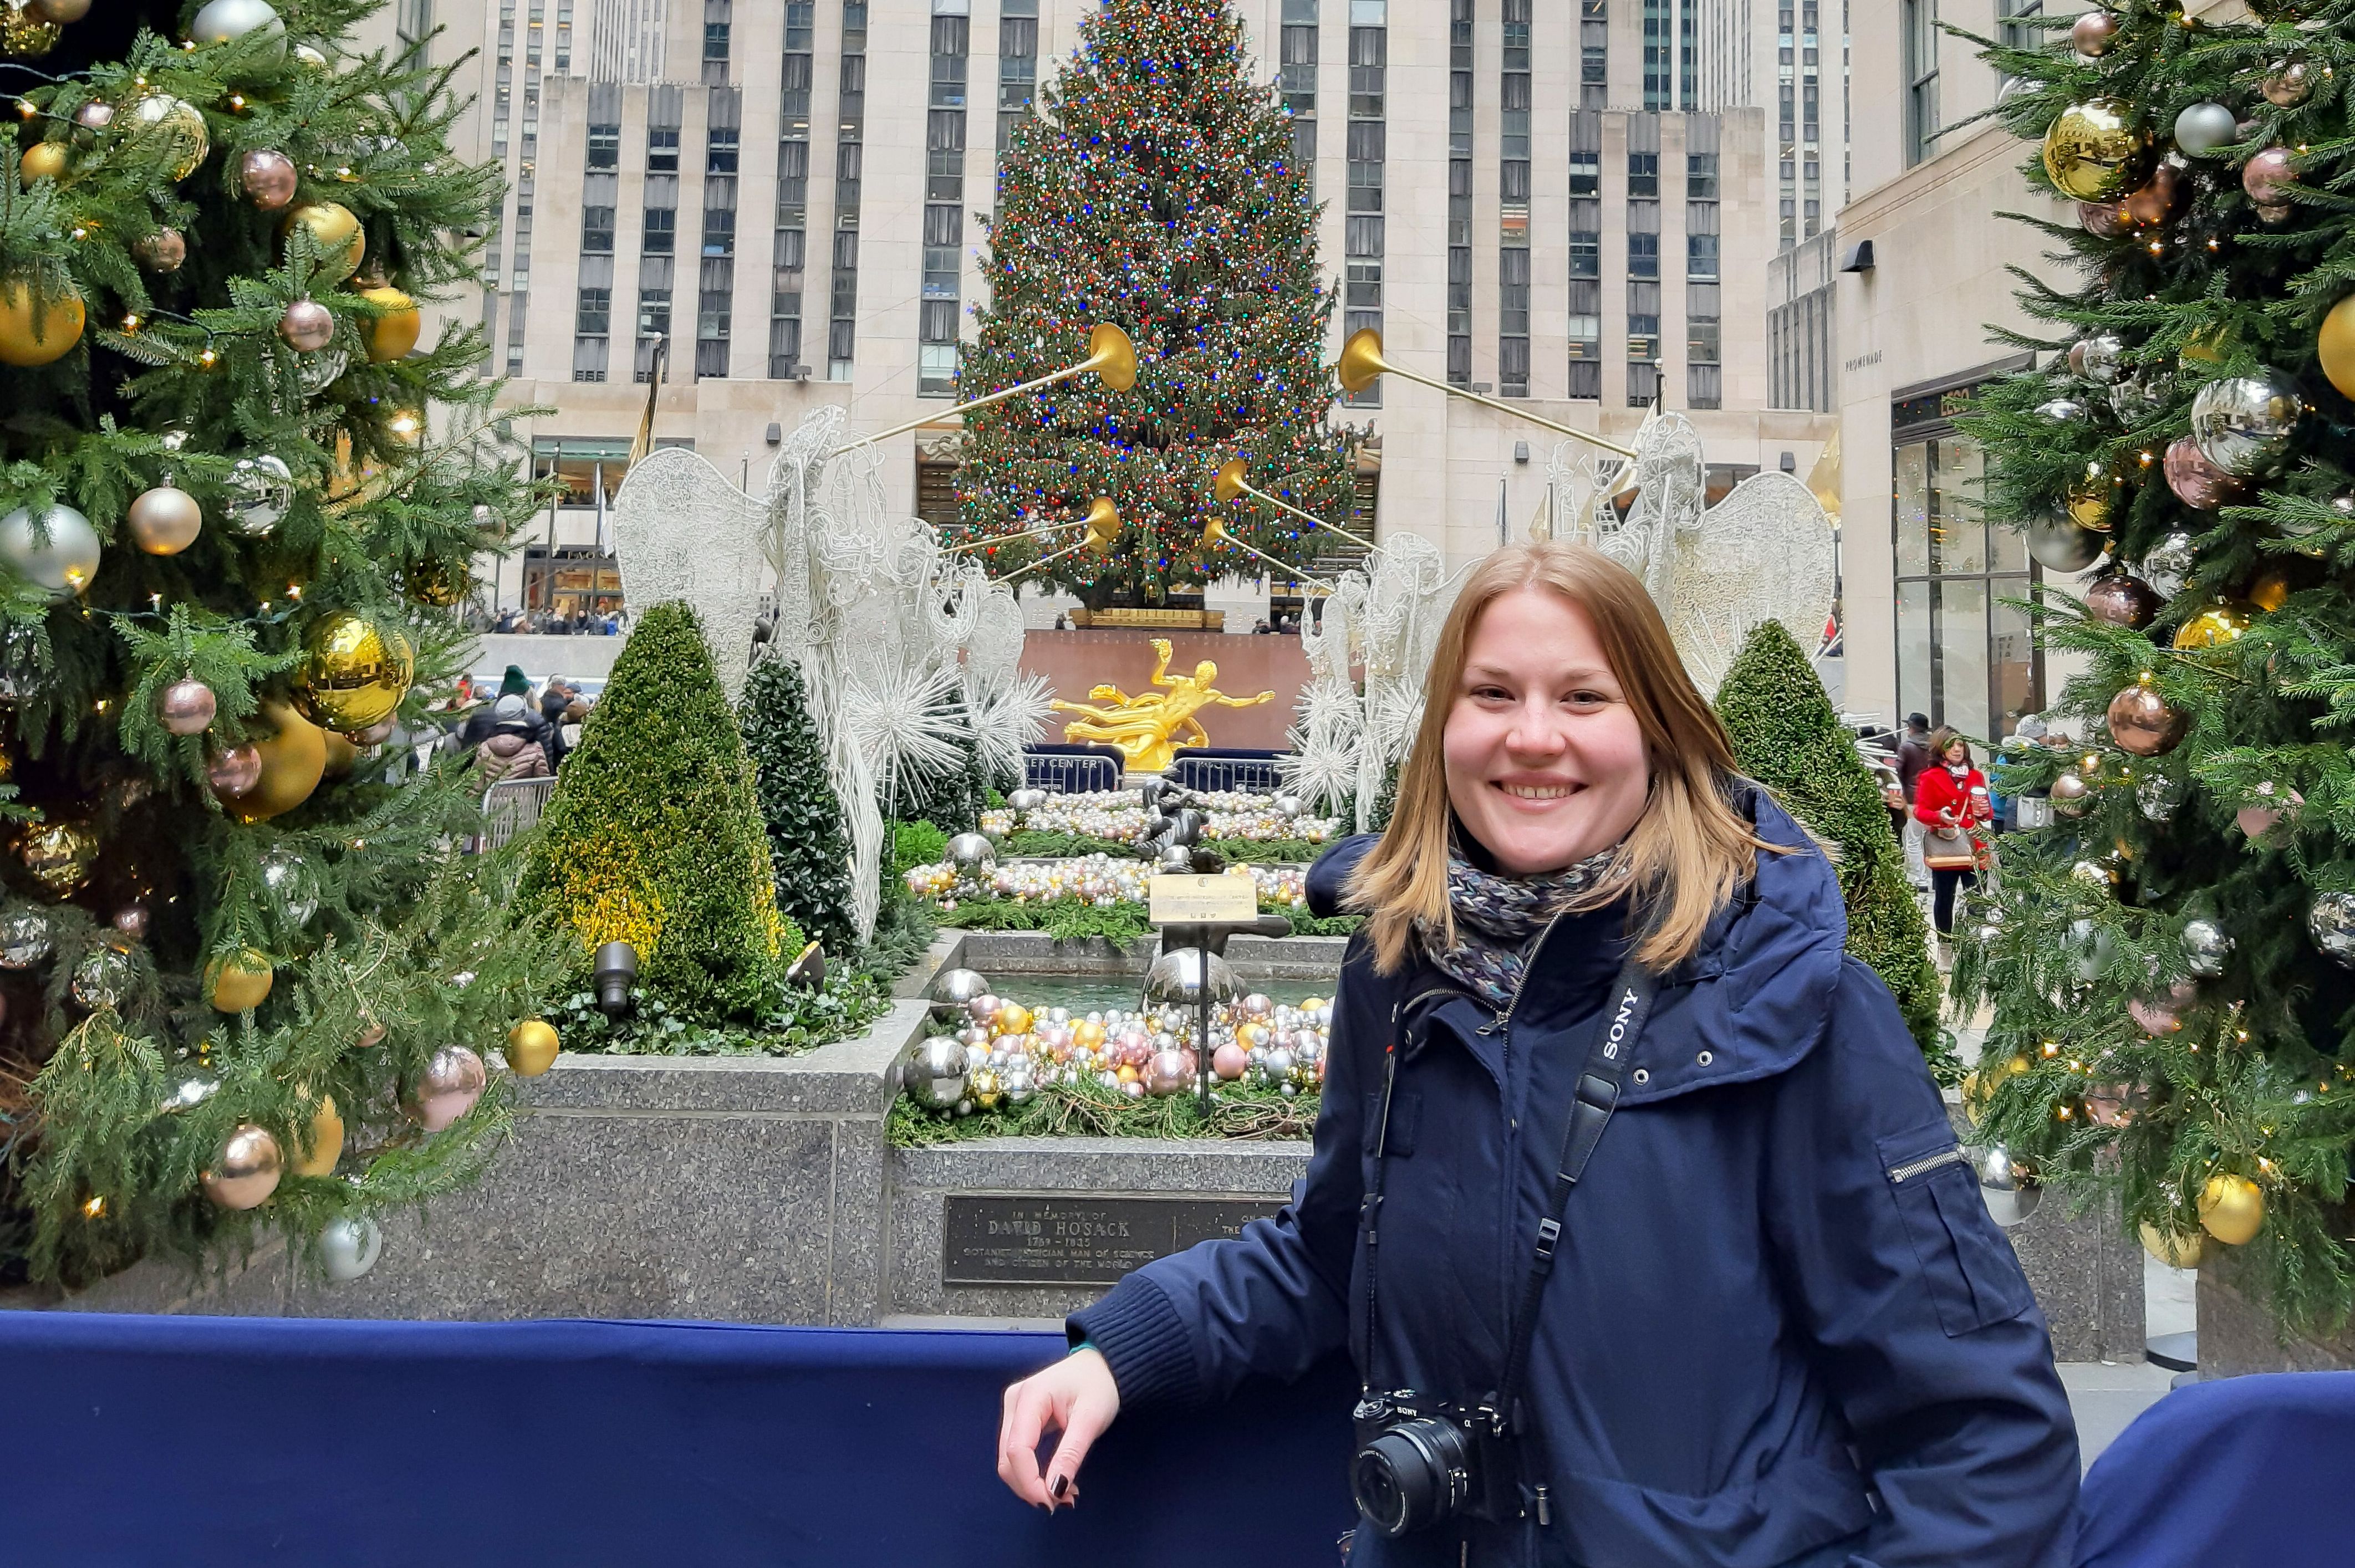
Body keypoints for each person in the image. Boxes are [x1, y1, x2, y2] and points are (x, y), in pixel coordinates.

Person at [996, 543, 2076, 1565]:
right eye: (1494, 694)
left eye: (1583, 696)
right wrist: (1127, 1349)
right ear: (1444, 731)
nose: (1533, 735)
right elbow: (1337, 1252)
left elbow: (1982, 1430)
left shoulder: (1793, 997)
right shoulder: (1402, 970)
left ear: (1658, 726)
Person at [1914, 726, 1992, 939]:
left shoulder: (1975, 776)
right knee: (1944, 899)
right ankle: (1945, 945)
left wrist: (1984, 812)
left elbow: (1986, 812)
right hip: (1945, 847)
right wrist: (1940, 816)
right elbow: (1920, 811)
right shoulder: (1930, 777)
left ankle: (1975, 946)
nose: (1957, 750)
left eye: (1961, 745)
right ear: (1941, 749)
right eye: (1951, 746)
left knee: (1978, 900)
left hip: (1974, 847)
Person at [472, 696, 551, 785]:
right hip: (523, 798)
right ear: (523, 713)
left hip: (491, 798)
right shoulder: (535, 748)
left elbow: (476, 783)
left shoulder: (485, 746)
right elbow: (543, 784)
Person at [1895, 711, 1933, 801]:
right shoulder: (1934, 746)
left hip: (1910, 796)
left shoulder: (1906, 747)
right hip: (1930, 794)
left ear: (1912, 728)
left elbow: (1898, 771)